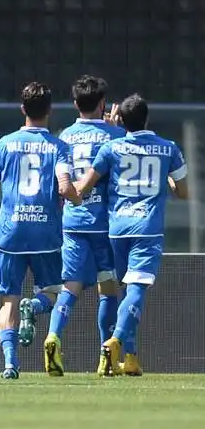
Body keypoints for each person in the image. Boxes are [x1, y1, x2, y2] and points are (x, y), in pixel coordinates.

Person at [76, 94, 188, 376]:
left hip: (117, 230)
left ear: (121, 121)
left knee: (125, 293)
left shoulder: (111, 149)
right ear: (147, 117)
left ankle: (132, 358)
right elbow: (183, 192)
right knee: (136, 290)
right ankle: (115, 341)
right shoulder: (168, 148)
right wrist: (165, 177)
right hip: (147, 230)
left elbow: (85, 187)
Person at [0, 82, 80, 380]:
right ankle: (33, 307)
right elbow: (64, 186)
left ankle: (11, 364)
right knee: (53, 292)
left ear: (23, 109)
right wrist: (75, 196)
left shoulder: (6, 143)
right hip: (45, 234)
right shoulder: (59, 147)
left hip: (11, 232)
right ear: (49, 110)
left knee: (8, 300)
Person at [45, 76, 127, 376]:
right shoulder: (117, 135)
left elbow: (60, 182)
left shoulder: (64, 135)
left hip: (73, 220)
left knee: (70, 287)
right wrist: (118, 126)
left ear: (76, 103)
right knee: (109, 290)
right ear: (103, 103)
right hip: (104, 223)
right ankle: (107, 353)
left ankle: (53, 335)